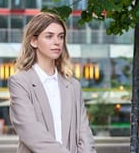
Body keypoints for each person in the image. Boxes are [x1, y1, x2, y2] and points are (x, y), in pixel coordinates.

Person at [9, 12, 95, 153]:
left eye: (60, 36)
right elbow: (30, 131)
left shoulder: (73, 85)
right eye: (49, 36)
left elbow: (84, 132)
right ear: (34, 41)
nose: (57, 42)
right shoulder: (20, 82)